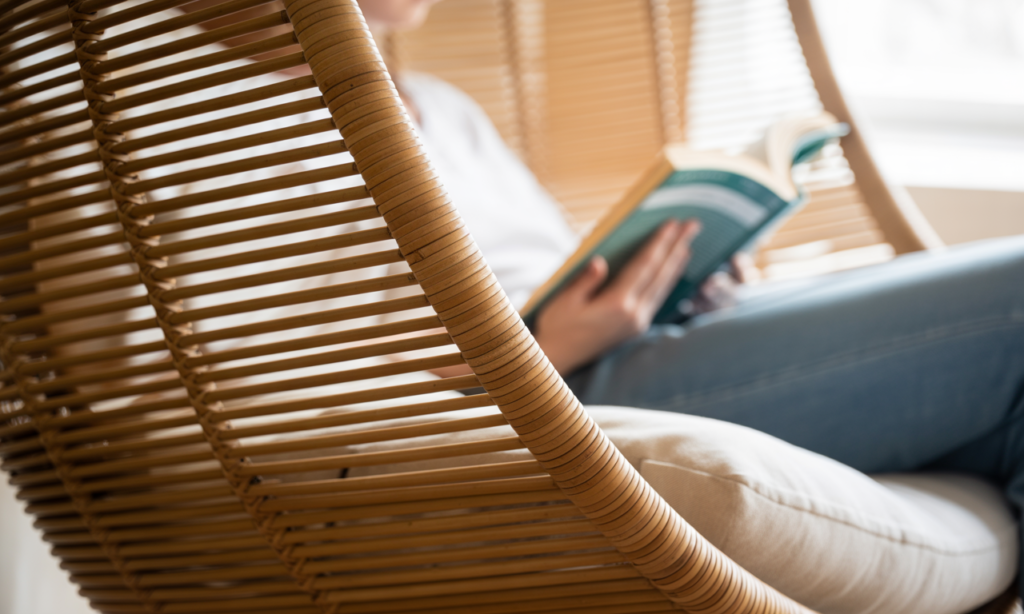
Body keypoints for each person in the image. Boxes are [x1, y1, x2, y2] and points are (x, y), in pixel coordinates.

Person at [361, 0, 1024, 595]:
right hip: (549, 388)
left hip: (630, 343)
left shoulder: (443, 106)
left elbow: (542, 271)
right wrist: (548, 347)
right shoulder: (271, 121)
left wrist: (675, 280)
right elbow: (315, 386)